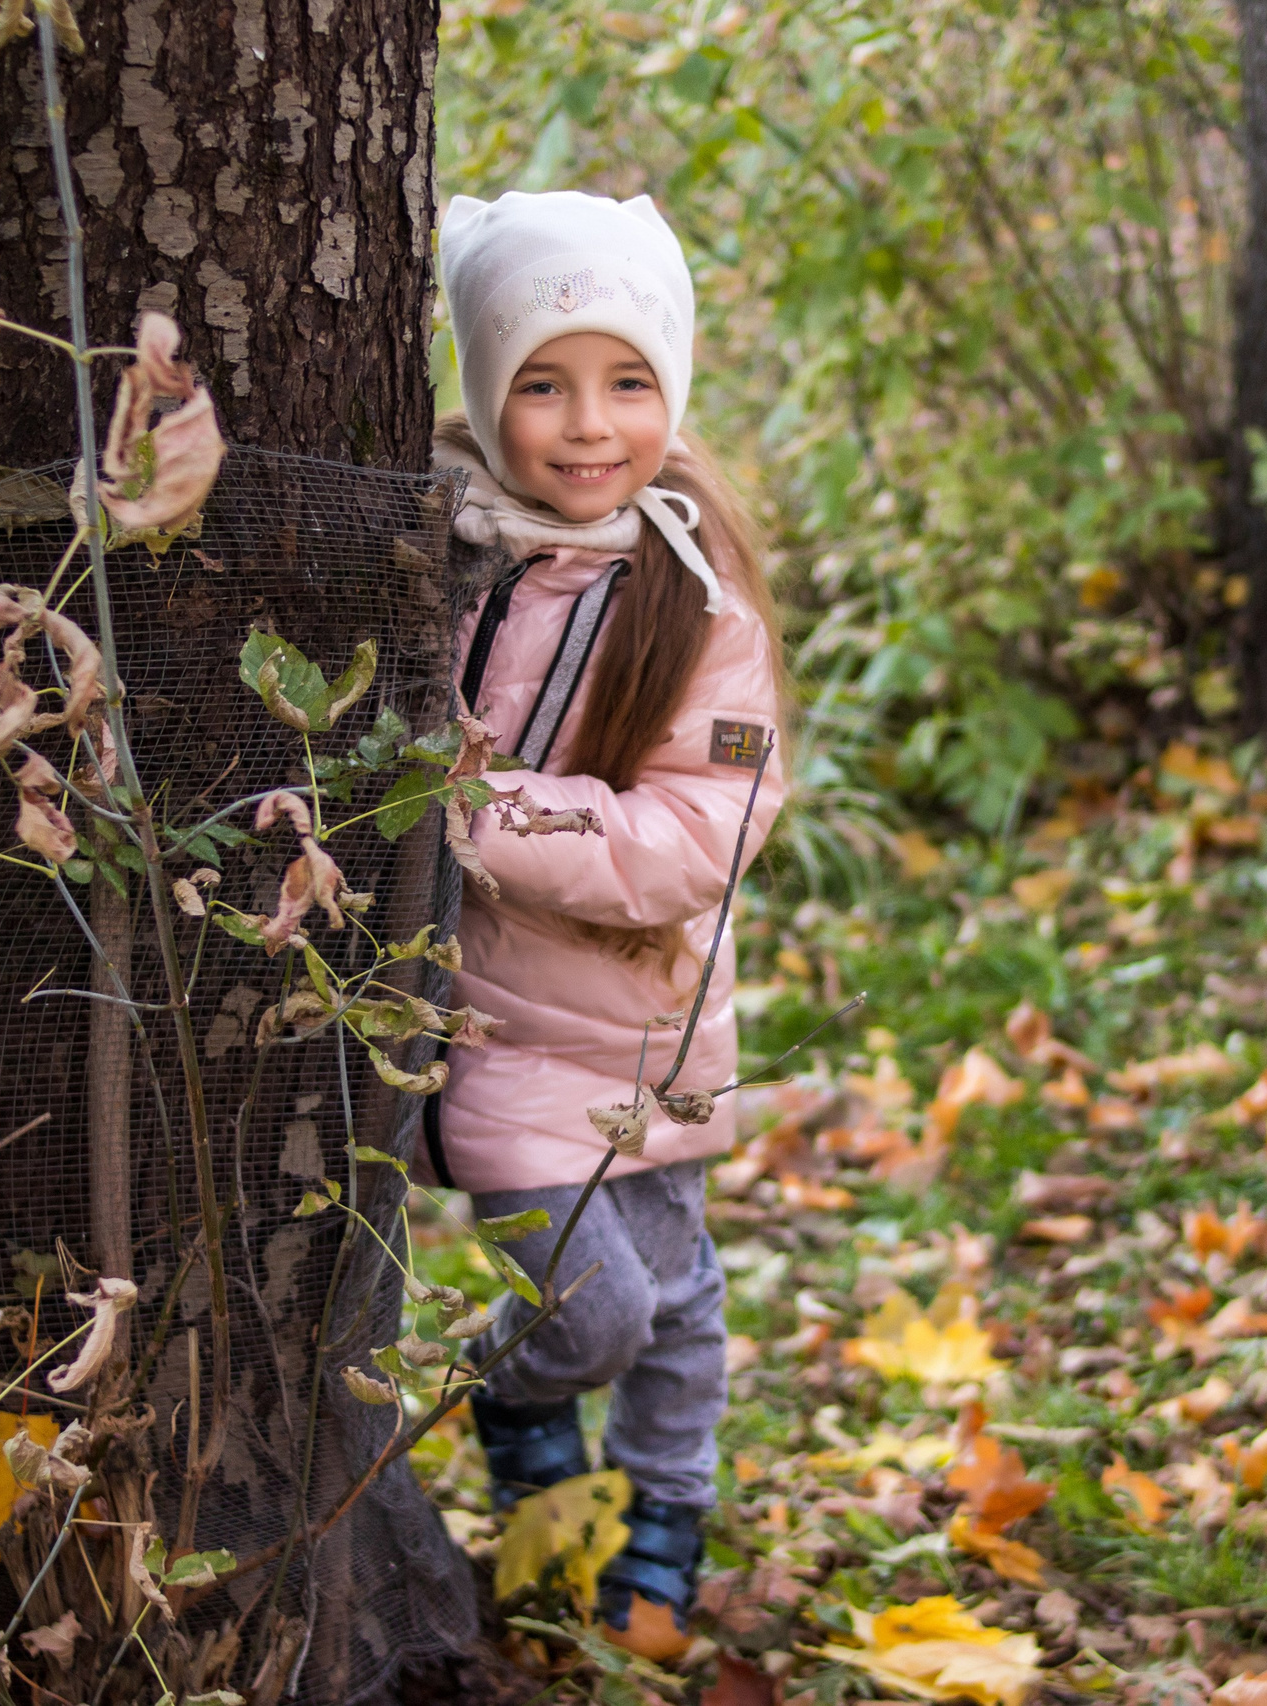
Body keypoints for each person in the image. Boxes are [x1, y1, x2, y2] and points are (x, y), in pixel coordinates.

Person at [424, 189, 788, 1661]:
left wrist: (480, 812)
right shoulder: (442, 556)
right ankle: (517, 1405)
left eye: (628, 379)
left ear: (674, 388)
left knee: (680, 1307)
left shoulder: (700, 601)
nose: (588, 424)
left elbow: (696, 837)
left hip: (657, 1021)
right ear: (484, 392)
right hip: (497, 1035)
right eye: (541, 381)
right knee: (592, 1317)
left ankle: (663, 1524)